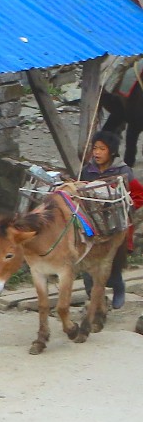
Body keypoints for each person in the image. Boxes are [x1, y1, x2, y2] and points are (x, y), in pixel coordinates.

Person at [82, 132, 134, 309]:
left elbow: (135, 195)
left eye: (102, 149)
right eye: (95, 148)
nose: (97, 153)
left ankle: (118, 287)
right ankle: (95, 297)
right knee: (87, 261)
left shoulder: (123, 171)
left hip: (114, 224)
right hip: (91, 224)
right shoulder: (87, 171)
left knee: (112, 260)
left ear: (111, 152)